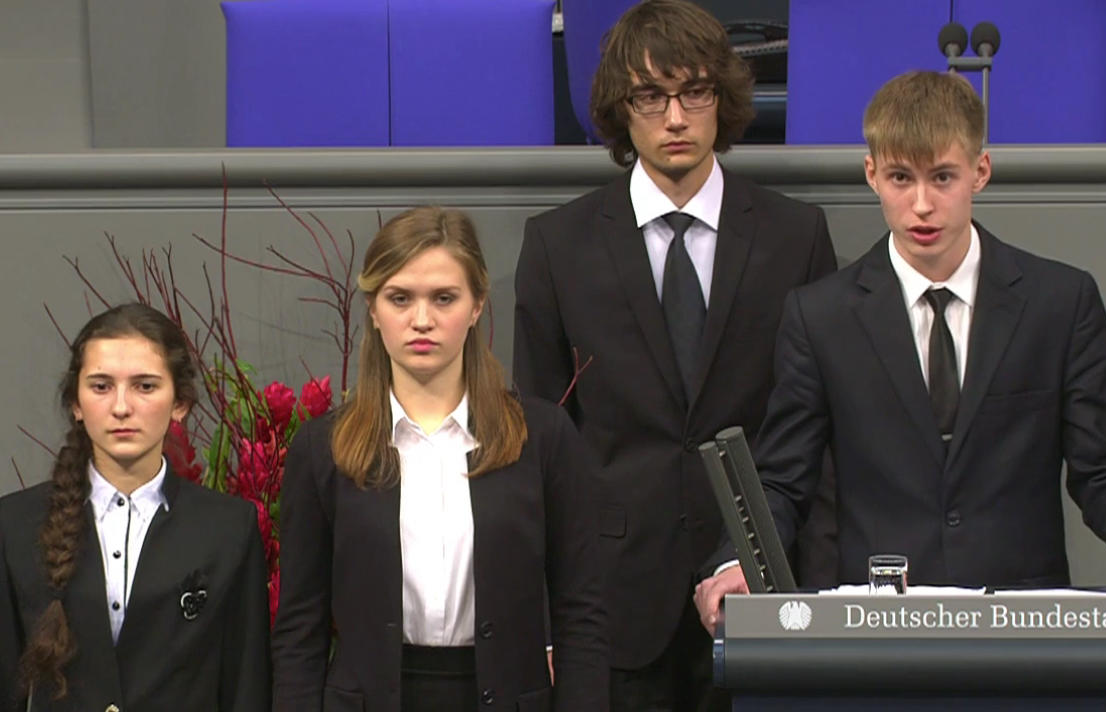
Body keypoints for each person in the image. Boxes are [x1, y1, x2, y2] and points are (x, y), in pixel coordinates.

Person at [695, 70, 1106, 640]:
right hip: (878, 635)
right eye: (901, 178)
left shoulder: (1060, 303)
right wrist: (736, 564)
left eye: (942, 177)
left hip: (1023, 634)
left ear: (981, 171)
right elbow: (783, 479)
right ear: (872, 174)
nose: (921, 205)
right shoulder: (819, 316)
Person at [513, 1, 836, 709]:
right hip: (611, 602)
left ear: (722, 98)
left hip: (763, 590)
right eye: (650, 97)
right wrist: (544, 617)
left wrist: (810, 585)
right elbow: (537, 446)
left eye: (694, 92)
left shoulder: (795, 236)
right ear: (619, 109)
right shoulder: (557, 246)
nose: (676, 117)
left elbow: (818, 432)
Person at [272, 207, 608, 712]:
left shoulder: (542, 438)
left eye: (444, 298)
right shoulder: (324, 448)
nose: (422, 320)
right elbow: (301, 628)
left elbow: (581, 613)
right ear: (373, 308)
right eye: (400, 298)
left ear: (477, 306)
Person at [0, 302, 270, 712]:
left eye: (145, 386)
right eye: (101, 386)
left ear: (180, 402)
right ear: (76, 403)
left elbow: (246, 685)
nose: (122, 407)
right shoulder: (17, 524)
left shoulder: (229, 528)